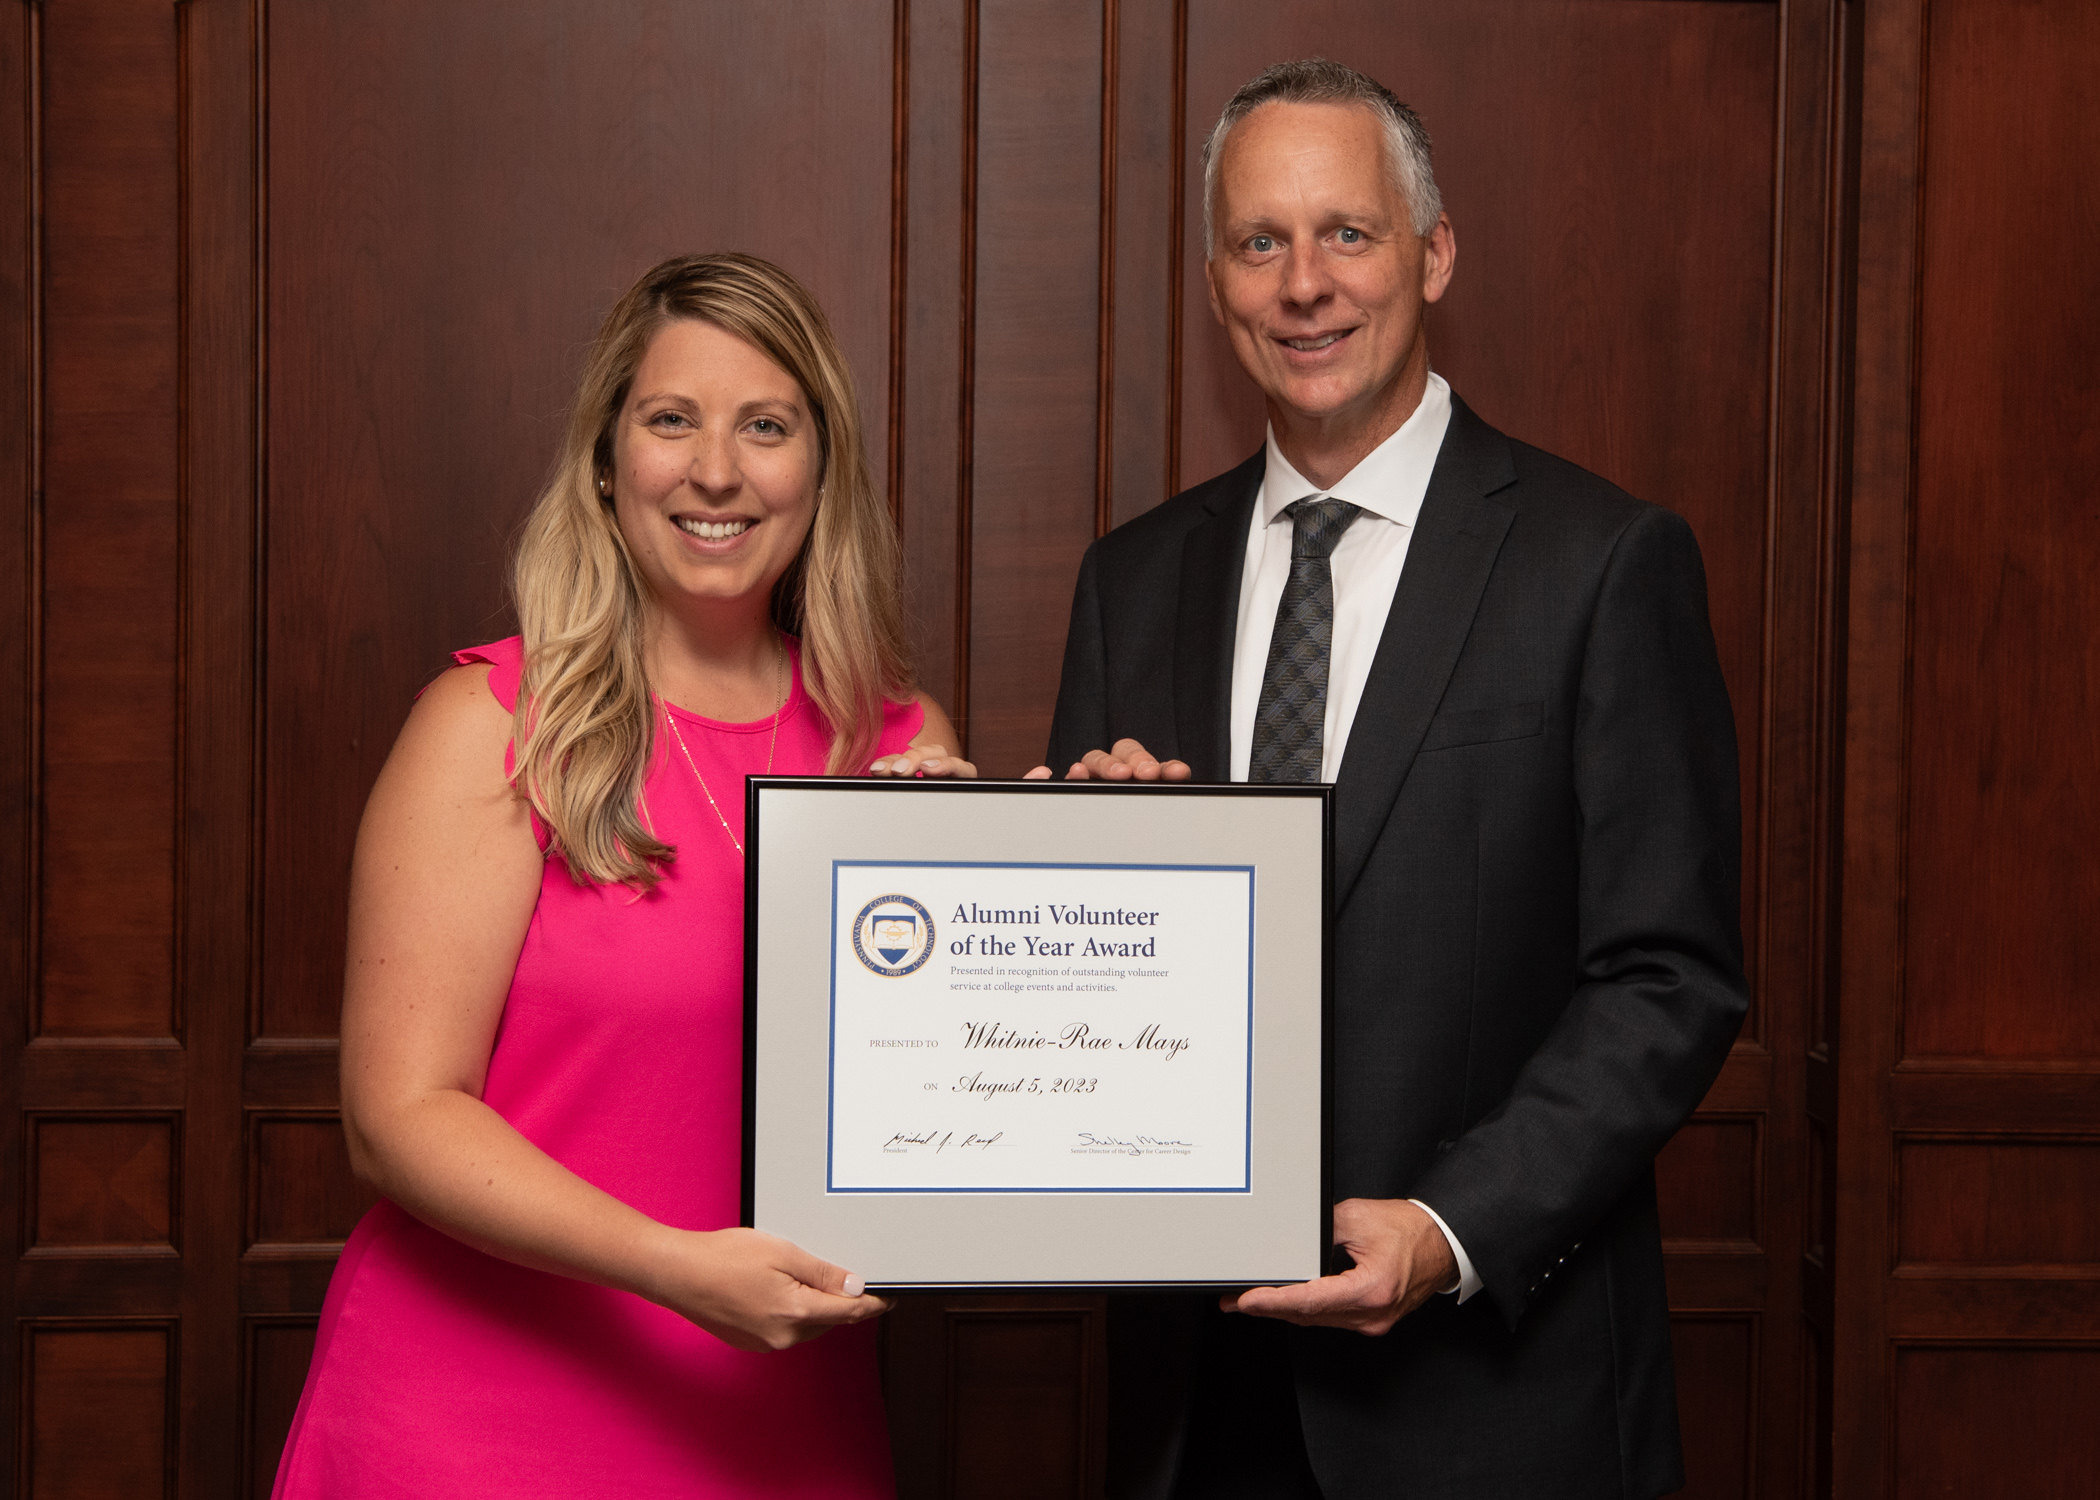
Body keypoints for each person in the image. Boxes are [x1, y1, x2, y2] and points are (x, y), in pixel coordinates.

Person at [1033, 60, 1748, 1499]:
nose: (1305, 283)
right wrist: (1087, 864)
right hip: (1201, 1405)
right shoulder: (1134, 581)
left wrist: (1448, 1226)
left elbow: (1670, 978)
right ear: (1218, 282)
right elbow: (1085, 992)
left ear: (1433, 254)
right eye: (1260, 242)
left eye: (1347, 234)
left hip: (1494, 1404)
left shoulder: (1599, 564)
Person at [274, 253, 969, 1498]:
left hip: (789, 1437)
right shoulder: (493, 722)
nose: (717, 471)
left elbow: (961, 1116)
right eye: (670, 421)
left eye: (767, 426)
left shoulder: (904, 745)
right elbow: (397, 1116)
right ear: (606, 461)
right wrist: (674, 1267)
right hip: (476, 1431)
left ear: (821, 468)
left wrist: (1074, 866)